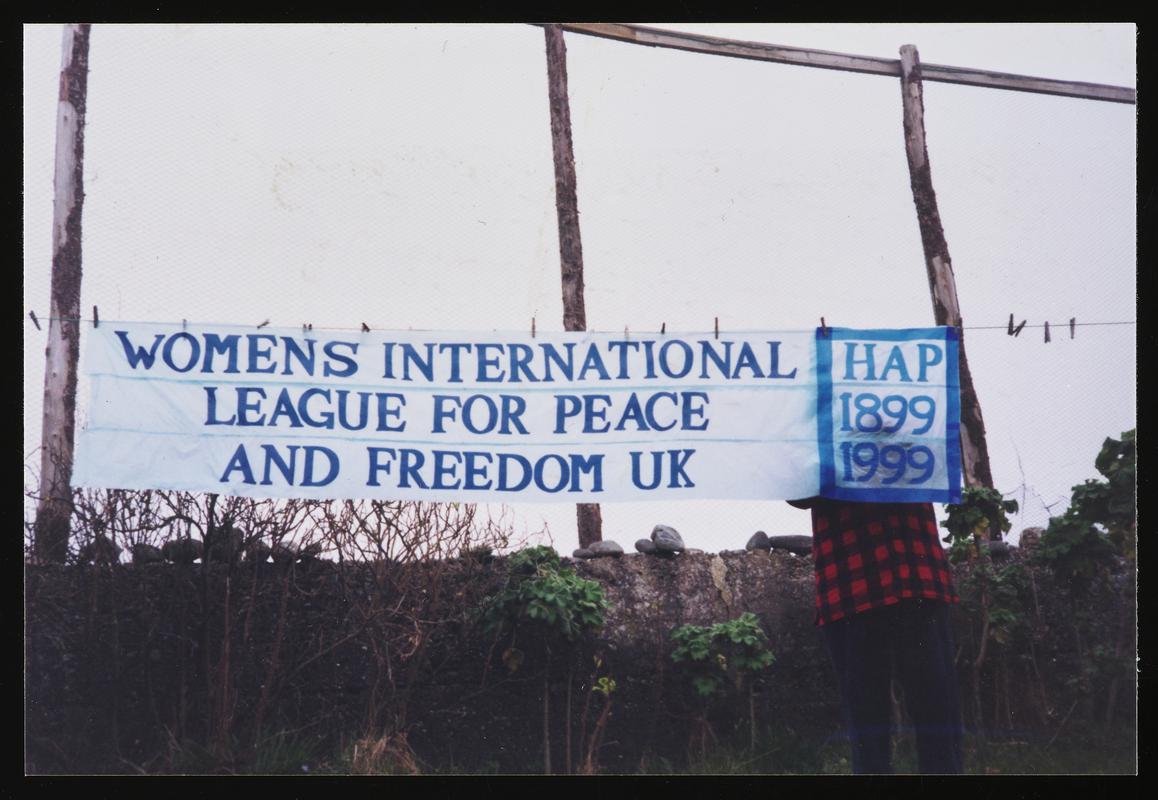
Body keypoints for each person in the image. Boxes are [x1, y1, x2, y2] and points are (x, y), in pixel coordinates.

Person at [788, 497, 964, 774]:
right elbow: (796, 493)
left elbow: (942, 471)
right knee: (868, 721)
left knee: (937, 711)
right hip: (854, 577)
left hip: (908, 571)